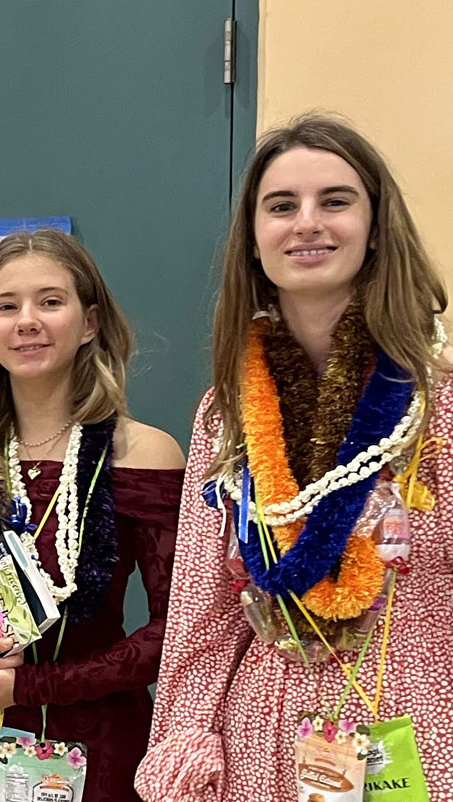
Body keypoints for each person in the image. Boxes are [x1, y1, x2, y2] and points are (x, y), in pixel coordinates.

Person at [138, 114, 453, 800]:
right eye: (282, 206)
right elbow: (202, 610)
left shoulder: (436, 401)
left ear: (375, 228)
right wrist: (186, 744)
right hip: (262, 743)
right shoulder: (226, 413)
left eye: (335, 201)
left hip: (416, 733)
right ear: (254, 241)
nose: (307, 223)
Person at [0, 230, 185, 800]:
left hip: (94, 748)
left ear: (90, 322)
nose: (27, 321)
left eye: (50, 301)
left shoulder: (145, 455)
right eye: (7, 306)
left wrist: (34, 686)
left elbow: (174, 630)